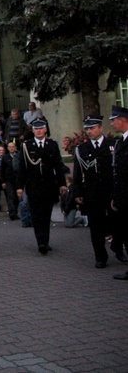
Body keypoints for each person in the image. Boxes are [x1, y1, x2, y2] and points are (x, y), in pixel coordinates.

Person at [17, 118, 67, 255]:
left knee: (46, 214)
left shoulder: (52, 145)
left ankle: (46, 240)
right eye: (36, 129)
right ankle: (41, 242)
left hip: (49, 185)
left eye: (41, 128)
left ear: (45, 130)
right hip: (33, 186)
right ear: (33, 131)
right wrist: (20, 186)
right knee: (36, 215)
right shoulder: (27, 146)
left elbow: (58, 165)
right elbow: (22, 167)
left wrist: (62, 184)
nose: (38, 131)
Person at [72, 115, 114, 268]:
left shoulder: (112, 145)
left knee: (117, 223)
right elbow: (77, 172)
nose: (89, 131)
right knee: (96, 227)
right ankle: (100, 256)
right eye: (87, 129)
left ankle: (117, 247)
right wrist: (77, 192)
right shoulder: (82, 149)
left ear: (101, 128)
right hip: (92, 193)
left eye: (92, 128)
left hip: (111, 192)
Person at [110, 107, 128, 281]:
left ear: (122, 120)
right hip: (123, 196)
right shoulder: (120, 141)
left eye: (113, 119)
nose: (112, 123)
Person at [1, 141, 21, 221]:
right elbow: (2, 170)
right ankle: (12, 212)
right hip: (9, 180)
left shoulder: (19, 156)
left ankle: (15, 212)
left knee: (16, 197)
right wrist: (3, 181)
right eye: (10, 147)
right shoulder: (5, 157)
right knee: (10, 196)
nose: (11, 148)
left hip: (17, 179)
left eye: (13, 146)